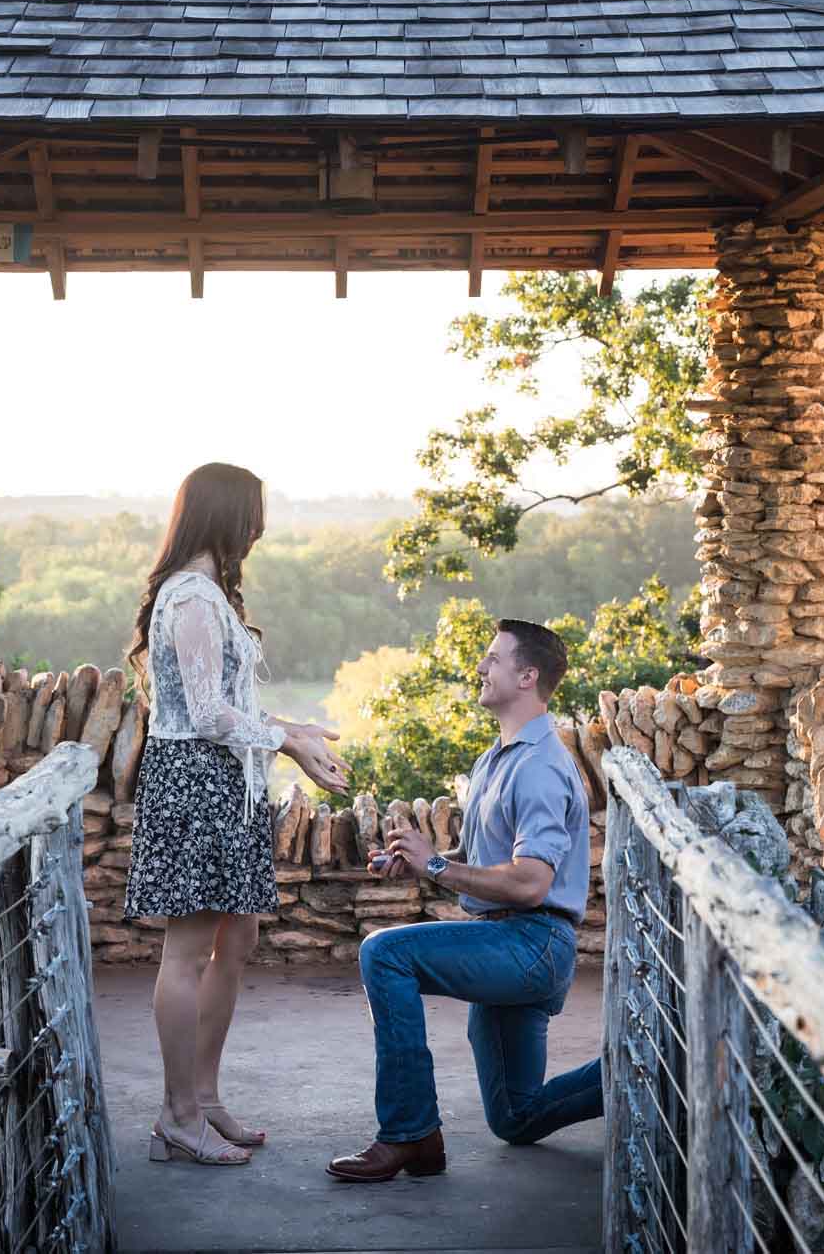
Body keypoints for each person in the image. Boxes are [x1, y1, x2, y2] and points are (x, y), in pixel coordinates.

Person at [124, 462, 348, 1167]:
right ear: (224, 515)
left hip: (226, 785)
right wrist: (287, 741)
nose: (258, 528)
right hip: (194, 784)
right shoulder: (190, 597)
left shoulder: (211, 594)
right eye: (252, 513)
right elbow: (209, 714)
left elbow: (235, 710)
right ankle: (177, 1113)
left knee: (239, 938)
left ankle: (205, 1095)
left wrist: (300, 735)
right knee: (187, 951)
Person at [326, 619, 604, 1183]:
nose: (480, 667)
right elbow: (484, 859)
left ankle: (410, 1135)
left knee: (385, 954)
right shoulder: (497, 759)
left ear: (527, 676)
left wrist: (436, 865)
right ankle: (644, 1067)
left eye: (493, 659)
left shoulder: (542, 766)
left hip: (531, 943)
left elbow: (529, 883)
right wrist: (424, 858)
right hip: (511, 943)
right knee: (516, 1118)